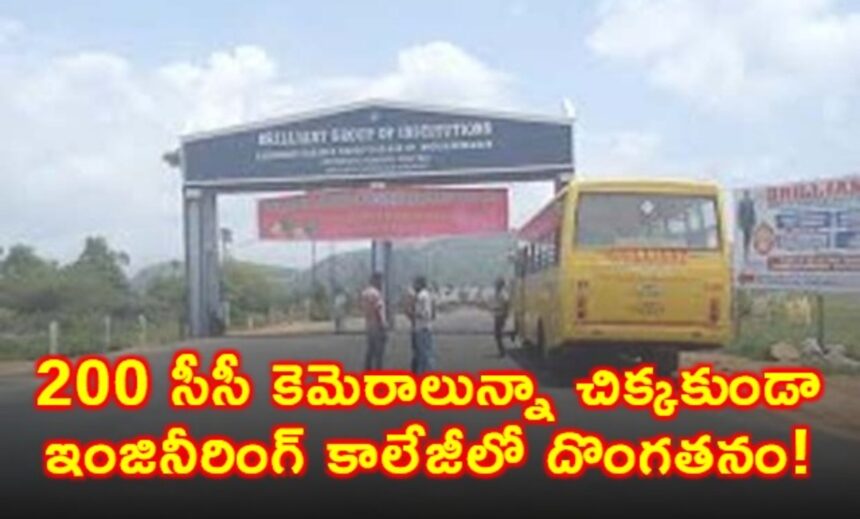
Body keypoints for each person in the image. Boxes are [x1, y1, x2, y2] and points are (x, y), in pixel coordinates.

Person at [361, 272, 387, 370]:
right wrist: (382, 325)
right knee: (379, 352)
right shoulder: (376, 293)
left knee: (370, 350)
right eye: (380, 280)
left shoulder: (365, 293)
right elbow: (378, 309)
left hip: (369, 324)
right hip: (377, 325)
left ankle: (367, 370)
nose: (381, 283)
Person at [412, 276, 436, 374]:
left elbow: (425, 313)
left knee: (424, 354)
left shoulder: (421, 296)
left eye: (416, 284)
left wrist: (415, 314)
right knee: (426, 353)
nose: (414, 286)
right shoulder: (427, 295)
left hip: (422, 328)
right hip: (426, 327)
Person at [490, 276, 511, 357]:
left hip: (501, 315)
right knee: (497, 334)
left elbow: (507, 303)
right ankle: (502, 350)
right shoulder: (497, 293)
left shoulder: (503, 293)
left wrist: (505, 314)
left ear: (500, 285)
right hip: (497, 314)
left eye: (497, 284)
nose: (496, 285)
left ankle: (502, 351)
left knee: (498, 334)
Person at [402, 281, 419, 373]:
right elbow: (408, 311)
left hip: (415, 326)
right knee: (417, 350)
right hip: (416, 328)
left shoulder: (413, 299)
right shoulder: (413, 298)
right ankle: (416, 371)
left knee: (416, 350)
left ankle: (416, 370)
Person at [737, 190, 757, 262]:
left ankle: (747, 250)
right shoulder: (742, 202)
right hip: (746, 223)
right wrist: (740, 222)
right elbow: (740, 213)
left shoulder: (750, 201)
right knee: (746, 237)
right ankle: (746, 251)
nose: (747, 195)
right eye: (746, 193)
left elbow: (752, 212)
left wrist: (754, 221)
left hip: (748, 222)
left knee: (748, 237)